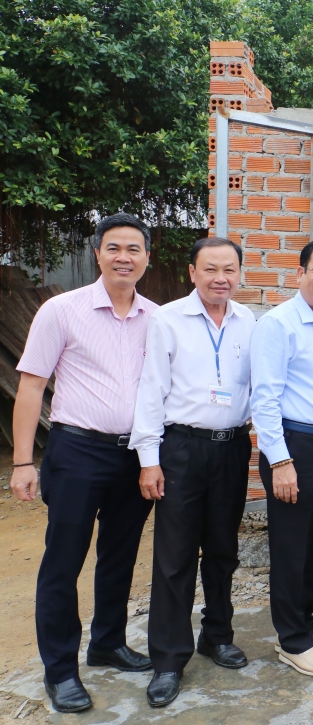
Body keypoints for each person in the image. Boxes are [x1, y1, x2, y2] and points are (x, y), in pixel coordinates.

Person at [10, 214, 158, 713]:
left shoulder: (157, 318)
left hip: (134, 455)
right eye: (113, 247)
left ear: (146, 257)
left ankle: (108, 643)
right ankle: (60, 670)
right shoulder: (62, 311)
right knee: (63, 560)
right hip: (76, 451)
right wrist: (22, 461)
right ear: (97, 253)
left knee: (120, 555)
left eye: (133, 249)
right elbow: (31, 385)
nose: (124, 257)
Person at [129, 237, 256, 707]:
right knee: (175, 556)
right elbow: (150, 389)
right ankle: (167, 658)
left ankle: (217, 634)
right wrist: (149, 459)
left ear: (239, 274)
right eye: (210, 269)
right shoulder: (168, 320)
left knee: (223, 549)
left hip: (231, 448)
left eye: (229, 269)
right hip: (181, 447)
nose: (220, 277)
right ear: (192, 272)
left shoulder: (248, 322)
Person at [250, 239, 313, 677]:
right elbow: (265, 398)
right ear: (300, 273)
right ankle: (290, 640)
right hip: (297, 447)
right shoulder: (279, 324)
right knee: (292, 546)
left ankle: (304, 624)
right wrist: (280, 460)